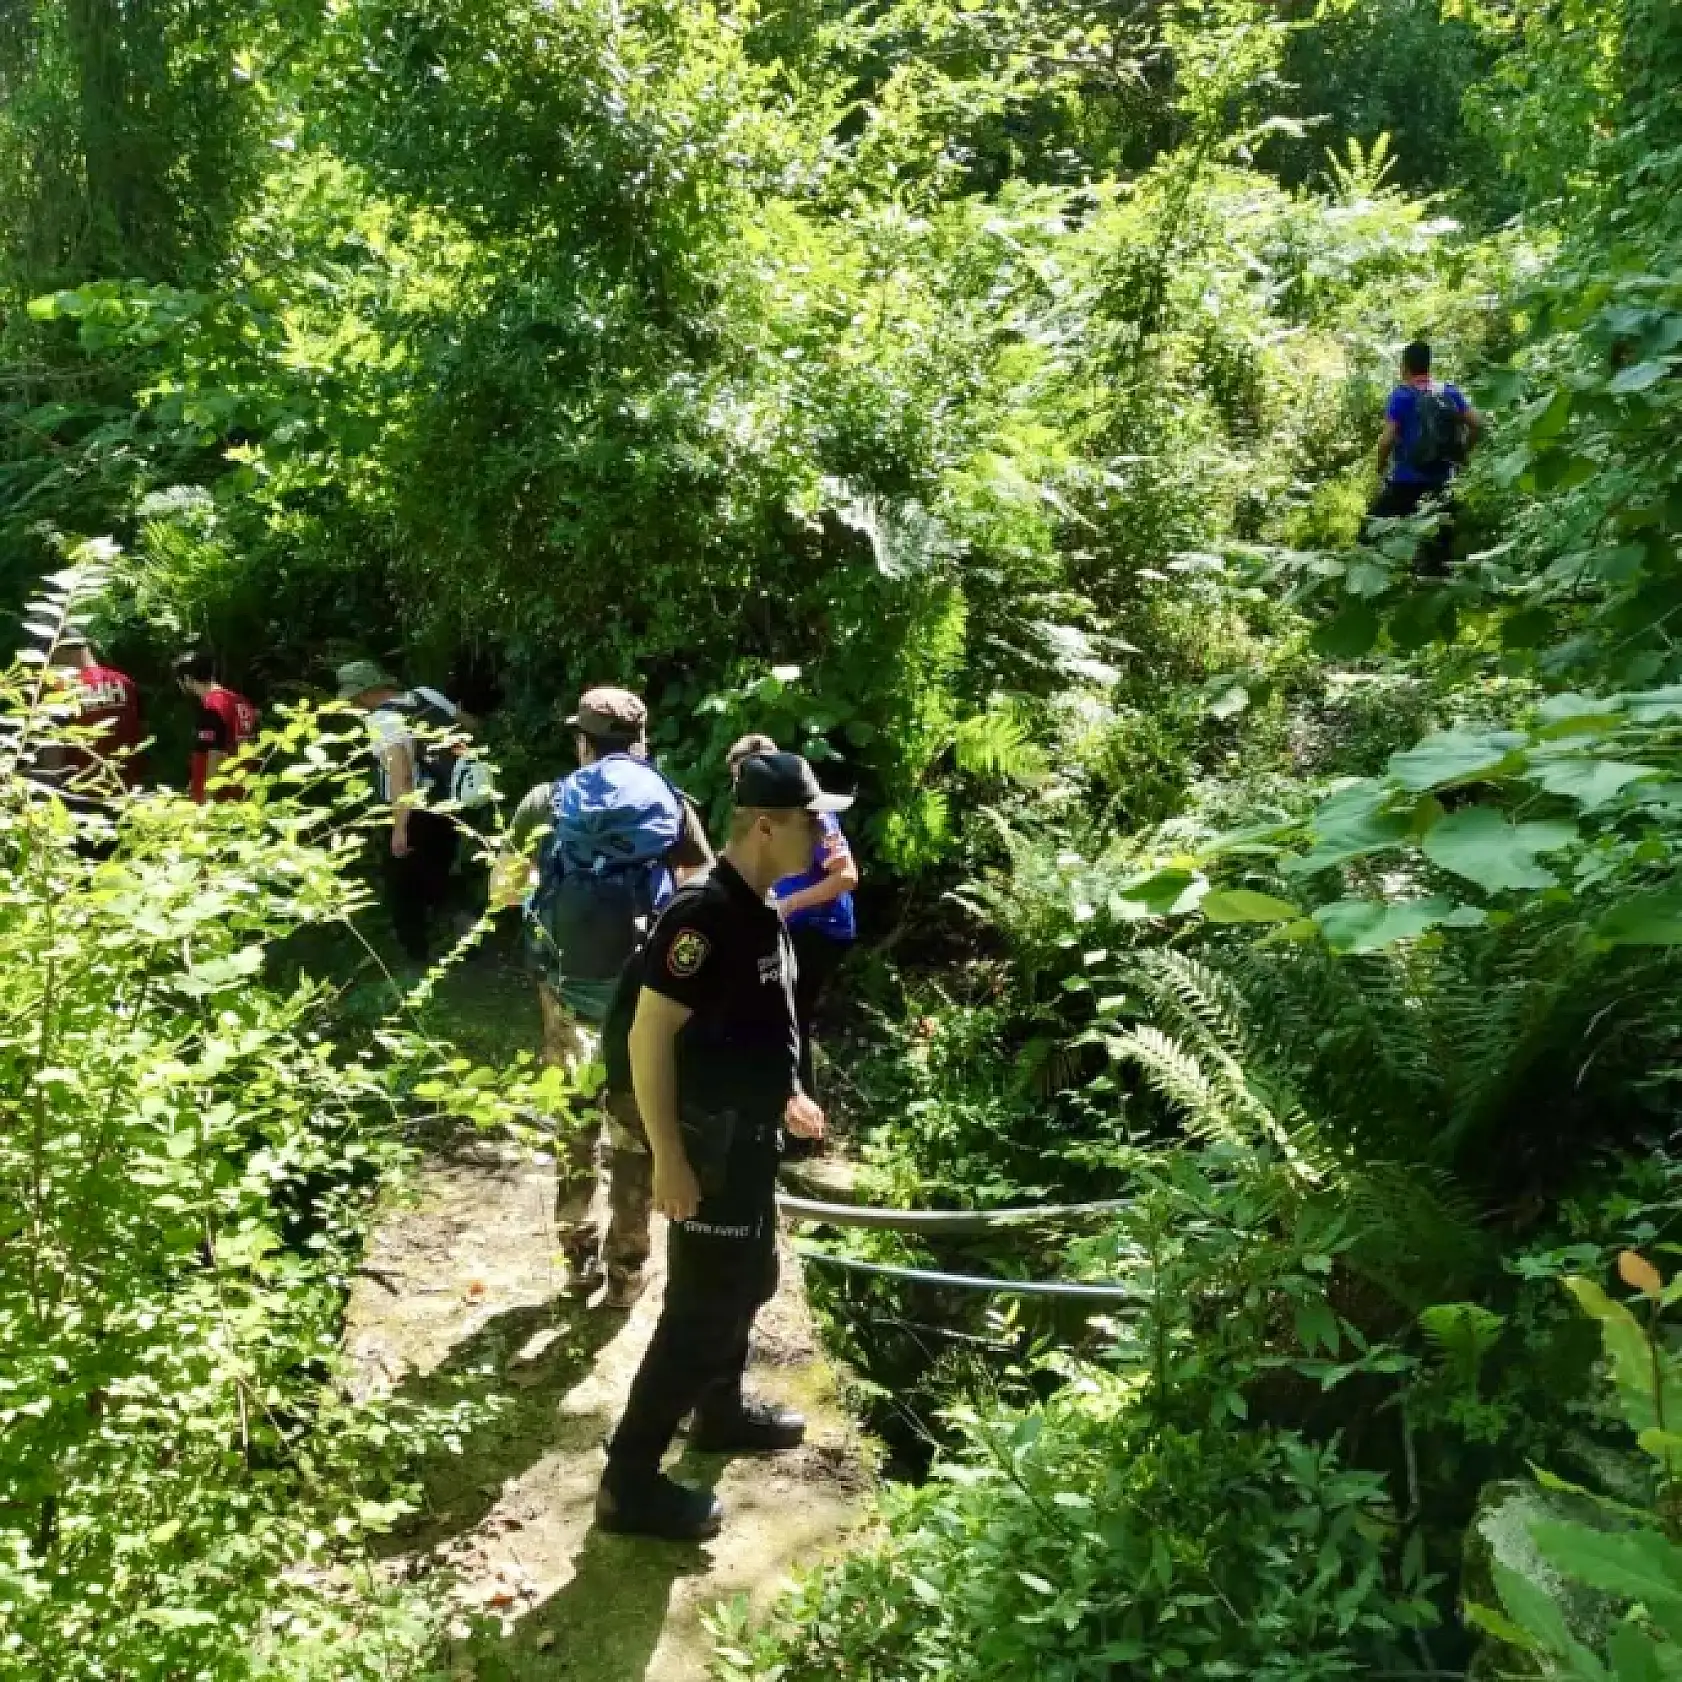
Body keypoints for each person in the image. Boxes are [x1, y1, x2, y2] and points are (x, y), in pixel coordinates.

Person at [595, 751, 847, 1542]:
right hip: (707, 1151)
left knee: (753, 1276)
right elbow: (649, 1033)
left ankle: (720, 1411)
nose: (826, 837)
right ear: (766, 826)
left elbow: (745, 1026)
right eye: (814, 822)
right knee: (699, 1313)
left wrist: (789, 1092)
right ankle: (629, 1481)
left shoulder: (759, 903)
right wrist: (668, 1156)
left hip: (752, 1141)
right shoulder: (702, 915)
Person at [506, 687, 713, 1308]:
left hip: (568, 992)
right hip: (642, 1000)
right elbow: (698, 886)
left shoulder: (547, 801)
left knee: (572, 1121)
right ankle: (626, 1273)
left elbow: (506, 881)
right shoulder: (670, 803)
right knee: (635, 1131)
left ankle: (576, 1257)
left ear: (583, 741)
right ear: (640, 741)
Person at [727, 734, 859, 1114]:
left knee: (789, 1018)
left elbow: (846, 876)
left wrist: (787, 906)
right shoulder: (761, 822)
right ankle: (787, 1113)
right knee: (781, 1016)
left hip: (818, 929)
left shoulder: (810, 816)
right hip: (789, 926)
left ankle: (797, 1122)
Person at [336, 659, 462, 965]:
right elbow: (468, 726)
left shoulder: (382, 720)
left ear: (365, 693)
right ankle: (463, 934)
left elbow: (401, 775)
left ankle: (417, 957)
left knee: (403, 887)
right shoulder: (426, 695)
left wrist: (399, 827)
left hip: (415, 810)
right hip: (452, 800)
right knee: (439, 874)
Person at [1371, 339, 1482, 576]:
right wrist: (1462, 455)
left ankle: (1376, 590)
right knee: (1439, 552)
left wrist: (1380, 468)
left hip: (1405, 482)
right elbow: (1477, 424)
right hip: (1442, 482)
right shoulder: (1449, 392)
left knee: (1372, 533)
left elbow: (1386, 440)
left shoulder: (1402, 396)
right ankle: (1435, 595)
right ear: (1428, 365)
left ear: (1405, 367)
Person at [44, 634, 142, 789]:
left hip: (80, 788)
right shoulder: (124, 682)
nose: (49, 662)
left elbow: (54, 746)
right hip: (124, 784)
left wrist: (50, 786)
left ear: (62, 650)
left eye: (51, 654)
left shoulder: (63, 689)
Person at [174, 650, 260, 803]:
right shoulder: (240, 701)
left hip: (219, 798)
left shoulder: (212, 706)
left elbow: (214, 754)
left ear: (187, 679)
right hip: (242, 792)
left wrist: (207, 799)